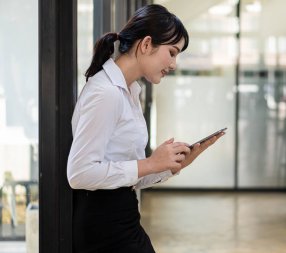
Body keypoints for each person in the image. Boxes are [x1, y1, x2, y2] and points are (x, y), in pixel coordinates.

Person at [67, 4, 224, 253]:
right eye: (172, 52)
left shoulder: (130, 91)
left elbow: (125, 176)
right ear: (146, 44)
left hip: (122, 219)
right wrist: (151, 163)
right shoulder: (106, 93)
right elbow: (79, 174)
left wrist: (172, 165)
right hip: (103, 229)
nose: (173, 64)